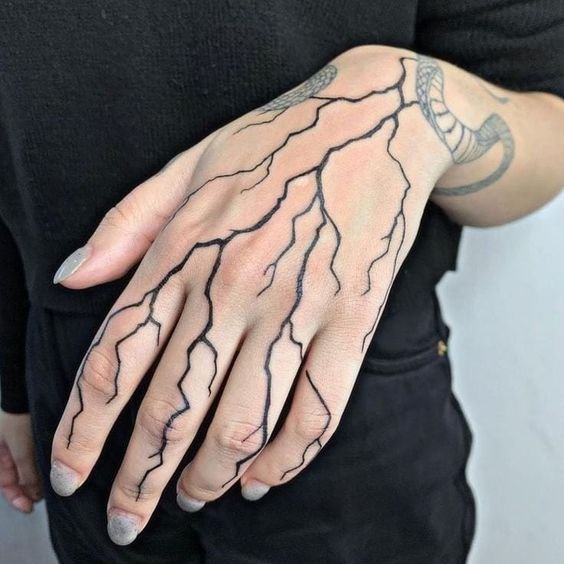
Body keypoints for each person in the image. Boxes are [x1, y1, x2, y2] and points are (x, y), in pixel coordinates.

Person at [0, 2, 562, 563]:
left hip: (339, 379)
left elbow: (547, 122)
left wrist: (400, 103)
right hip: (76, 377)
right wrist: (14, 384)